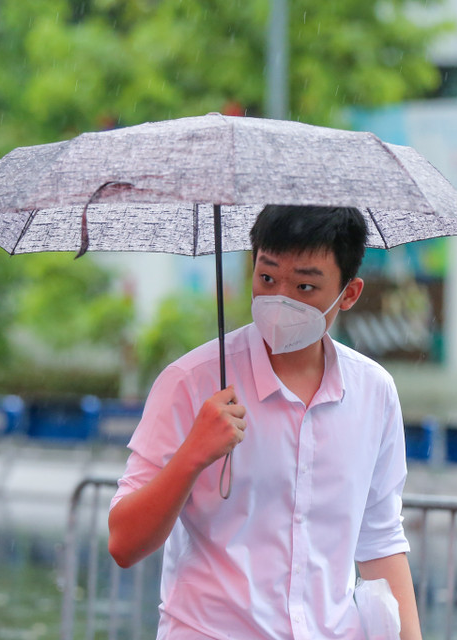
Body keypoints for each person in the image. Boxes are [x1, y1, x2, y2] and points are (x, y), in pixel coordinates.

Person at [108, 205, 422, 640]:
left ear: (348, 294)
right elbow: (124, 542)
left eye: (306, 285)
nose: (281, 299)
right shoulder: (191, 382)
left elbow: (381, 541)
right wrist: (193, 455)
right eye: (267, 278)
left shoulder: (374, 391)